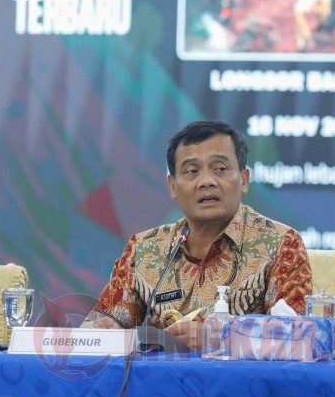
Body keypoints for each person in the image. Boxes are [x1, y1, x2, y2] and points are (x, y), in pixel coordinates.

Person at [83, 120, 313, 350]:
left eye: (220, 169)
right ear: (173, 186)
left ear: (243, 180)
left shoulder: (280, 245)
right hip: (159, 383)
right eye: (192, 171)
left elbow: (300, 337)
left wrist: (220, 337)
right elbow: (97, 328)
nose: (206, 182)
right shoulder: (144, 249)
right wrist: (105, 330)